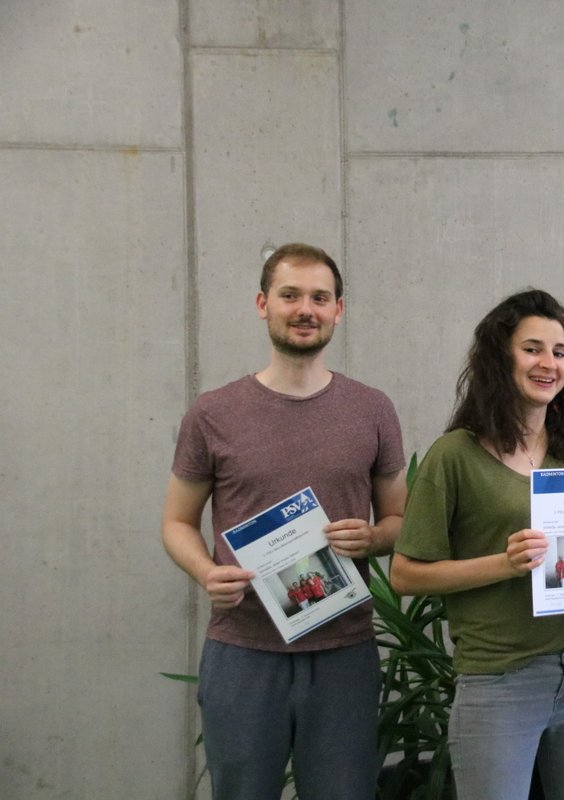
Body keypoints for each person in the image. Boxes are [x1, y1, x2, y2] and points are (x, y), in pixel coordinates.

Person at [161, 242, 408, 799]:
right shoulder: (213, 413)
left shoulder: (372, 409)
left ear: (338, 310)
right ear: (262, 304)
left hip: (343, 650)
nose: (305, 310)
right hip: (243, 650)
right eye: (290, 295)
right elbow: (176, 522)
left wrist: (373, 537)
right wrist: (206, 572)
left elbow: (400, 519)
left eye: (320, 298)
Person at [390, 289, 564, 800]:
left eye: (559, 352)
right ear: (500, 357)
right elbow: (405, 574)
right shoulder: (454, 456)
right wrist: (503, 563)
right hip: (497, 679)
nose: (549, 363)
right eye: (532, 349)